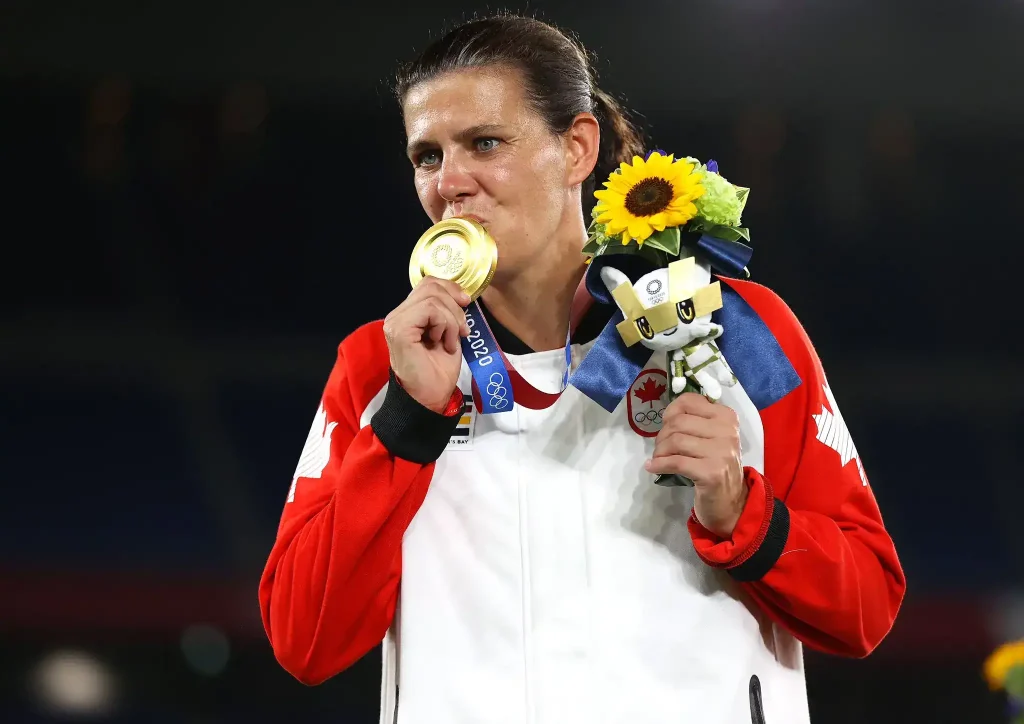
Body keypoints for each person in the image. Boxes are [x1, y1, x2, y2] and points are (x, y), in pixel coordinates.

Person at [258, 13, 906, 724]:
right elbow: (304, 639)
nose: (451, 184)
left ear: (576, 148)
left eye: (485, 143)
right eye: (427, 156)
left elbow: (867, 607)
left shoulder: (736, 331)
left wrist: (744, 515)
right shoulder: (381, 367)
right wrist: (406, 422)